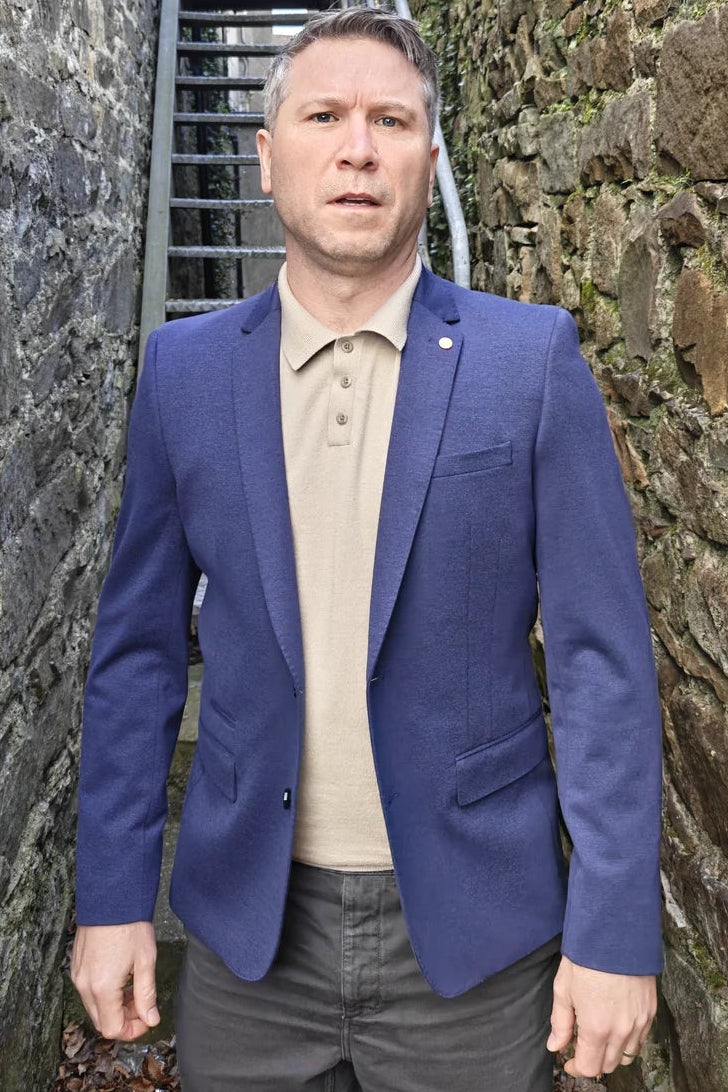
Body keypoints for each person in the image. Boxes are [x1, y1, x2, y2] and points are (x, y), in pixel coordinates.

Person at [70, 9, 663, 1091]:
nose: (356, 148)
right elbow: (139, 657)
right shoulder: (182, 374)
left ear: (428, 159)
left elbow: (600, 664)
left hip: (476, 941)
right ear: (267, 156)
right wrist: (111, 898)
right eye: (324, 117)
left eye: (390, 121)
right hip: (250, 939)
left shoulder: (528, 364)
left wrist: (614, 929)